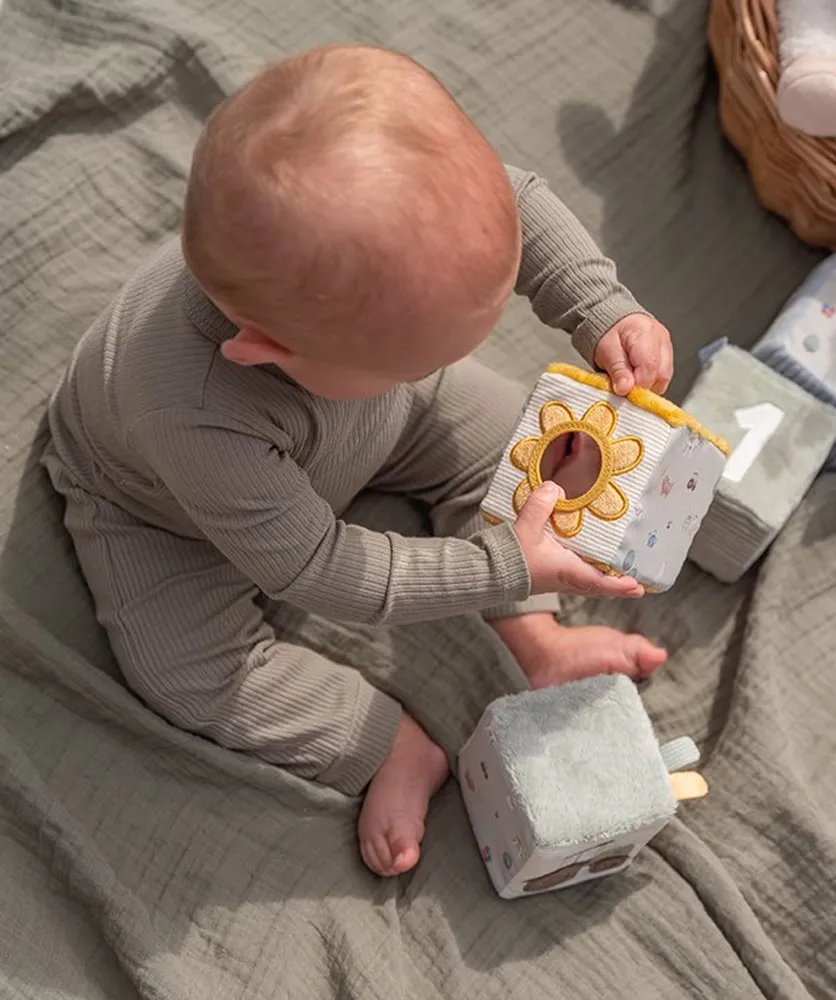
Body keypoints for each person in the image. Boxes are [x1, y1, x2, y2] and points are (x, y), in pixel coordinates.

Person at [42, 44, 676, 878]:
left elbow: (515, 203)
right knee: (187, 669)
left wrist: (600, 308)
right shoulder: (189, 410)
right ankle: (385, 747)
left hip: (374, 415)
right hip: (165, 514)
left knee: (516, 448)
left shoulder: (357, 293)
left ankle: (536, 638)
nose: (442, 360)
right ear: (266, 349)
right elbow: (321, 569)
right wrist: (500, 566)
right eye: (418, 357)